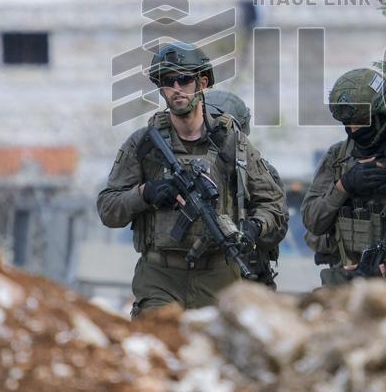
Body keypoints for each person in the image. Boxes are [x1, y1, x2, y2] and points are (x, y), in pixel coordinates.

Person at [97, 43, 288, 316]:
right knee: (157, 348)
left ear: (203, 82)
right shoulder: (143, 145)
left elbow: (274, 206)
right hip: (160, 277)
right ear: (161, 89)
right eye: (168, 81)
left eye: (185, 79)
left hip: (219, 275)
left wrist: (252, 229)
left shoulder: (233, 143)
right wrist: (145, 193)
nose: (177, 88)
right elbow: (108, 209)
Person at [301, 68, 386, 285]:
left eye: (362, 121)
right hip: (347, 277)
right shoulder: (338, 156)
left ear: (382, 115)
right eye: (347, 124)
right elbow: (313, 221)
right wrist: (343, 186)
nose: (353, 129)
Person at [206, 89, 287, 288]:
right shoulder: (193, 171)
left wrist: (254, 228)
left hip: (248, 278)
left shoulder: (259, 170)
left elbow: (278, 223)